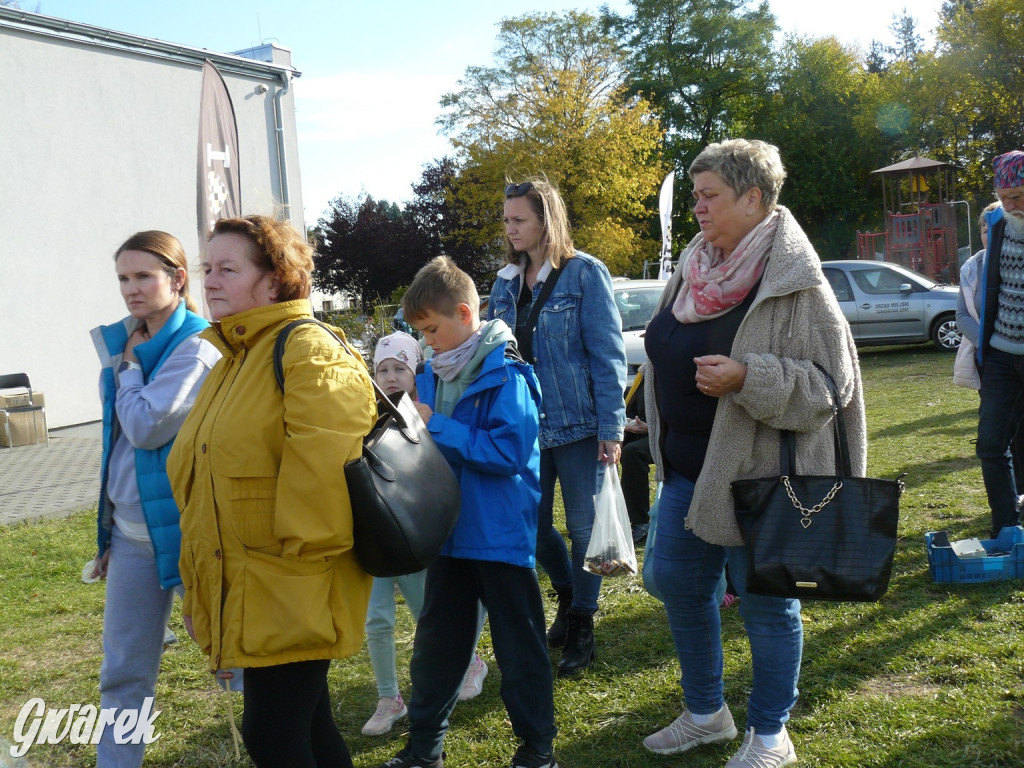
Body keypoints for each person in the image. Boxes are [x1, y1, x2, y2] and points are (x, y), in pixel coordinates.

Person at [641, 139, 865, 768]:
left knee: (768, 606)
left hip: (764, 481)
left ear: (754, 198)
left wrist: (749, 377)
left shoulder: (799, 284)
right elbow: (668, 348)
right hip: (687, 470)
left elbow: (832, 387)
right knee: (677, 583)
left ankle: (771, 735)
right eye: (695, 196)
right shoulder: (696, 265)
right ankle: (707, 713)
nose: (698, 209)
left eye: (709, 196)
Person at [167, 215, 377, 768]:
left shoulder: (306, 349)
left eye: (228, 269)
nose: (208, 280)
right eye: (208, 267)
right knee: (307, 726)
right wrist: (205, 589)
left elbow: (324, 483)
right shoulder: (233, 358)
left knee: (272, 736)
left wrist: (276, 586)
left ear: (275, 280)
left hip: (289, 588)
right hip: (251, 586)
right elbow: (206, 485)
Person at [376, 256, 557, 768]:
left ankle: (537, 752)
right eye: (420, 333)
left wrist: (437, 428)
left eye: (431, 330)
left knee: (520, 651)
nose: (427, 342)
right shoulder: (431, 374)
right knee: (436, 650)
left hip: (499, 536)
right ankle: (423, 751)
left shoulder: (508, 374)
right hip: (448, 536)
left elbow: (509, 455)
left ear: (463, 312)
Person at [90, 230, 220, 768]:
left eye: (144, 276)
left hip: (193, 529)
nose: (131, 289)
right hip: (130, 533)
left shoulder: (196, 343)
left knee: (231, 657)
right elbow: (116, 443)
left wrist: (130, 371)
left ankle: (279, 744)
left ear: (178, 279)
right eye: (124, 277)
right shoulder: (127, 339)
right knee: (122, 669)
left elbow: (144, 426)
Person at [488, 177, 627, 677]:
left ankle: (582, 625)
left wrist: (612, 427)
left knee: (584, 529)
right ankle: (569, 593)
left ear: (546, 220)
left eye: (519, 219)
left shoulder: (585, 274)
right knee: (532, 524)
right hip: (523, 424)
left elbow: (608, 354)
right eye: (507, 220)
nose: (511, 229)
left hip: (581, 422)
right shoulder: (504, 282)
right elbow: (493, 353)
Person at [362, 331, 489, 738]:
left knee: (426, 613)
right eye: (383, 369)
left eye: (400, 367)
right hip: (374, 529)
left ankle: (468, 661)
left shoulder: (425, 414)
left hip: (414, 532)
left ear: (416, 371)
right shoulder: (360, 411)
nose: (392, 376)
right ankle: (388, 698)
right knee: (376, 619)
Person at [971, 150, 1024, 538]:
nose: (1009, 204)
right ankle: (1006, 530)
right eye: (1003, 196)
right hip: (1002, 356)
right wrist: (985, 350)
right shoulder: (997, 223)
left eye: (1017, 196)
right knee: (990, 445)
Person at [621, 367, 653, 545]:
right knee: (599, 439)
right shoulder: (645, 371)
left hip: (672, 435)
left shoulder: (679, 368)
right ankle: (596, 515)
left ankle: (640, 523)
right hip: (641, 431)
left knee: (633, 453)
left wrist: (653, 428)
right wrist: (625, 425)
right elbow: (630, 408)